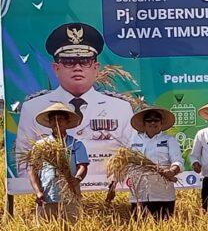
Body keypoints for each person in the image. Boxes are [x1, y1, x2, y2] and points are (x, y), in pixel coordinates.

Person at [16, 23, 135, 182]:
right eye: (69, 61)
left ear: (95, 67)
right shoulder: (34, 108)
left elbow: (132, 154)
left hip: (105, 192)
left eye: (85, 61)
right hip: (54, 192)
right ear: (56, 68)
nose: (77, 68)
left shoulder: (120, 108)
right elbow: (24, 162)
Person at [28, 103, 89, 223]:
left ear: (67, 122)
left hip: (70, 195)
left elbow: (83, 166)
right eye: (53, 119)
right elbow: (32, 170)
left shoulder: (76, 144)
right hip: (47, 195)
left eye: (60, 119)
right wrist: (39, 192)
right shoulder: (41, 145)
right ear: (50, 123)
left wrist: (77, 178)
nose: (57, 122)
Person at [121, 106, 183, 219]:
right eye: (149, 120)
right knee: (139, 229)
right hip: (138, 193)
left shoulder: (169, 140)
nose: (153, 122)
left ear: (161, 122)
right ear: (144, 124)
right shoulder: (134, 140)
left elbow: (178, 161)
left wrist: (172, 171)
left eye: (156, 120)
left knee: (164, 229)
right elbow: (124, 162)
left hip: (162, 194)